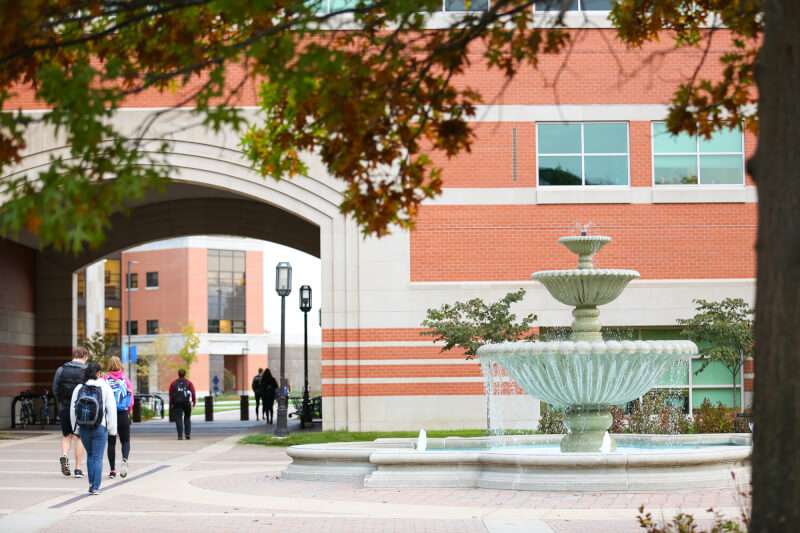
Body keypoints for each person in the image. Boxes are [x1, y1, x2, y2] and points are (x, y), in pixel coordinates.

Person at [70, 362, 117, 495]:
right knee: (97, 457)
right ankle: (96, 487)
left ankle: (91, 483)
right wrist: (112, 430)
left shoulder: (79, 387)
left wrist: (75, 428)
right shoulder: (105, 387)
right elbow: (111, 410)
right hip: (100, 427)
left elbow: (73, 409)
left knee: (90, 455)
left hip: (83, 426)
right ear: (98, 373)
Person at [52, 346, 88, 478]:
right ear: (85, 356)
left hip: (65, 406)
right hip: (81, 408)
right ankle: (78, 469)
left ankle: (64, 455)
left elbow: (55, 388)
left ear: (73, 356)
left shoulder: (61, 370)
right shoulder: (87, 370)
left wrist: (61, 401)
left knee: (67, 435)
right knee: (79, 437)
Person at [104, 356, 133, 479]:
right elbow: (131, 400)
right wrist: (128, 413)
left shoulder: (104, 379)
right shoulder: (126, 380)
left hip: (110, 414)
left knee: (111, 442)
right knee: (125, 441)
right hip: (123, 414)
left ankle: (112, 470)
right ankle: (125, 458)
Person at [169, 369, 196, 440]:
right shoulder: (189, 383)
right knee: (187, 418)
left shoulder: (173, 383)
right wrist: (194, 402)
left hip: (177, 403)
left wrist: (171, 403)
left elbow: (171, 394)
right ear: (185, 374)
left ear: (178, 374)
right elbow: (193, 392)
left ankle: (180, 436)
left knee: (178, 419)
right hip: (186, 402)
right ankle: (187, 434)